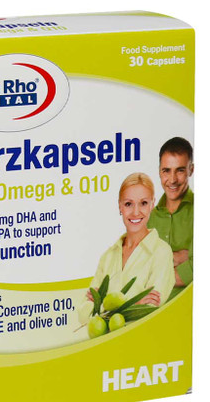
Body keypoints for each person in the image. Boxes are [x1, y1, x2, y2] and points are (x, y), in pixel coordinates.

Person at [78, 172, 175, 324]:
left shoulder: (161, 252)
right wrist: (134, 304)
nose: (136, 212)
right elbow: (83, 314)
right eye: (128, 204)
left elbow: (148, 310)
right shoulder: (108, 256)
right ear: (120, 206)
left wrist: (100, 305)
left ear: (152, 204)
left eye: (143, 203)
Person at [148, 137, 194, 300]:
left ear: (191, 170)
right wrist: (182, 257)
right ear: (159, 171)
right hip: (150, 310)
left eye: (180, 170)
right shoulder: (149, 217)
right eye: (166, 170)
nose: (172, 179)